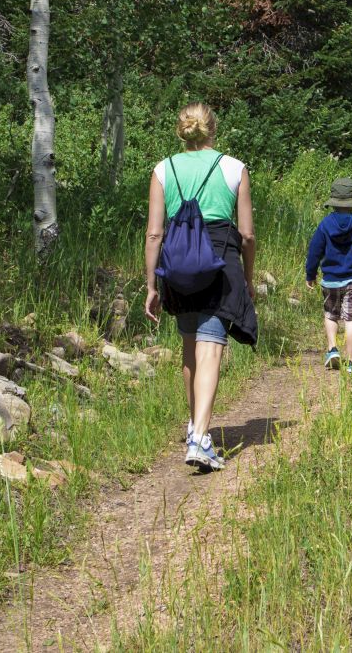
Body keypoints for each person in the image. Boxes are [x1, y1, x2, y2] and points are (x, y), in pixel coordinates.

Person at [145, 103, 257, 473]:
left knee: (190, 349)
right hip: (217, 262)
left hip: (177, 265)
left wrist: (151, 286)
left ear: (182, 130)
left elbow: (154, 233)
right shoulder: (234, 167)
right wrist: (250, 278)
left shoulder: (163, 169)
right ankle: (199, 439)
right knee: (211, 350)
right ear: (213, 129)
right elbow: (247, 235)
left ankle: (196, 425)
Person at [305, 177, 352, 374]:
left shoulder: (325, 224)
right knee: (351, 319)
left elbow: (314, 251)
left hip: (330, 280)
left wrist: (310, 274)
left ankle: (332, 350)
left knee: (330, 315)